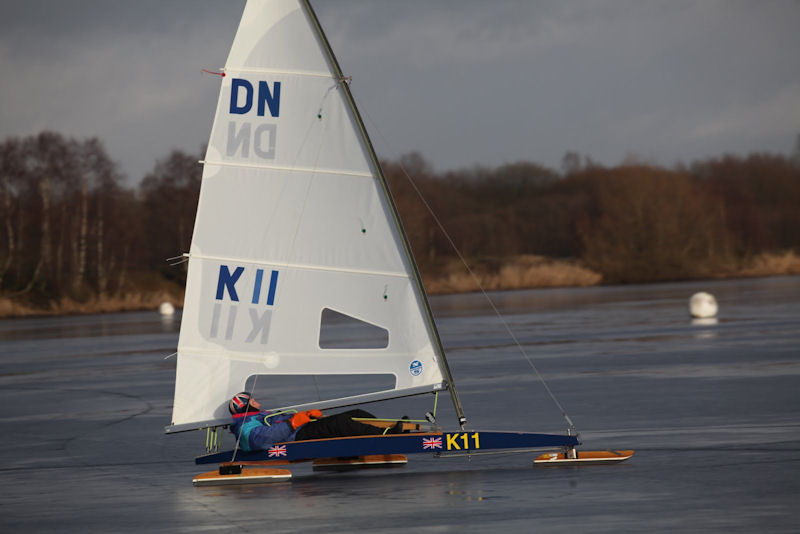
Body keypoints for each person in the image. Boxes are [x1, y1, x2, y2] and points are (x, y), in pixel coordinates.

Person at [227, 391, 404, 452]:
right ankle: (385, 437)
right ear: (246, 406)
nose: (258, 402)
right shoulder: (245, 426)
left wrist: (307, 416)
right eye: (253, 401)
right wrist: (294, 423)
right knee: (340, 423)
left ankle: (387, 430)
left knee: (356, 413)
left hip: (300, 429)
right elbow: (261, 440)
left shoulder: (257, 416)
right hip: (296, 437)